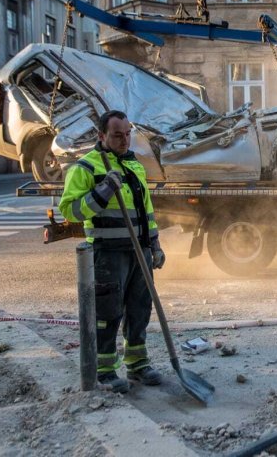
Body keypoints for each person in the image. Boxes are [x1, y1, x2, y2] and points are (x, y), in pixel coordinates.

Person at [60, 110, 166, 392]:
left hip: (138, 251)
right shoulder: (86, 168)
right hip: (108, 253)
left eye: (128, 133)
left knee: (139, 309)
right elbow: (70, 210)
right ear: (102, 136)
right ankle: (105, 370)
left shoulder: (135, 166)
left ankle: (138, 365)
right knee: (107, 313)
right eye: (118, 135)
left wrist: (154, 244)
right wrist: (104, 189)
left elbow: (146, 212)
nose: (124, 140)